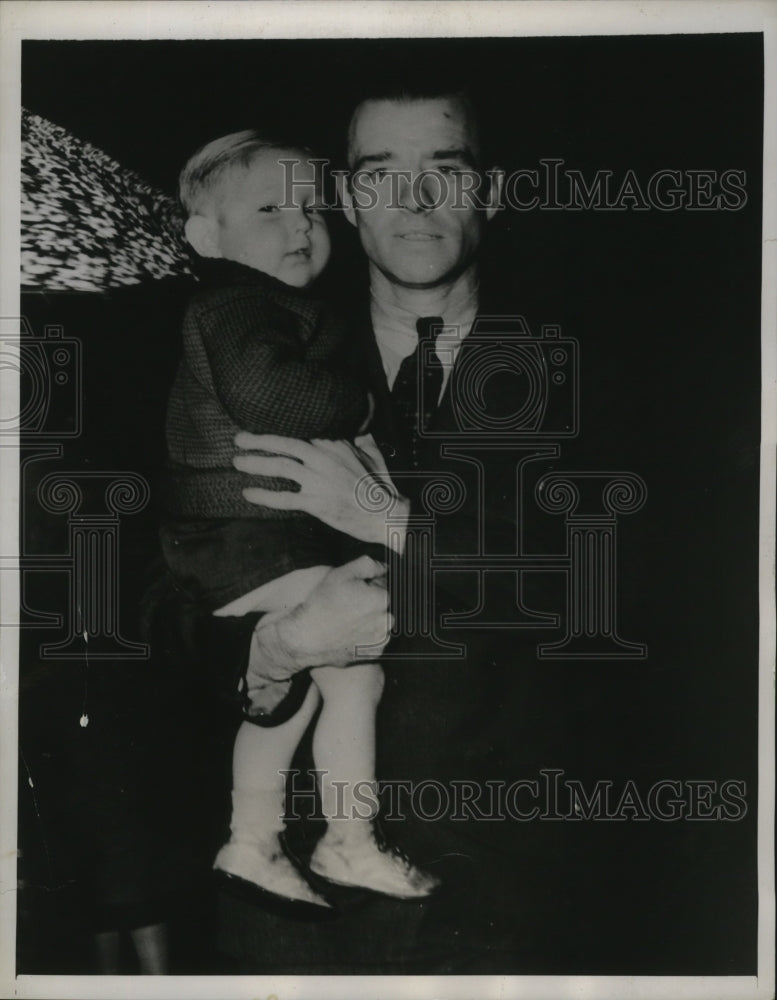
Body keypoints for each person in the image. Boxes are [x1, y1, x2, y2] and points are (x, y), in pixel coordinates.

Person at [160, 129, 438, 912]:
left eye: (314, 206)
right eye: (271, 208)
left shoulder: (276, 306)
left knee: (309, 686)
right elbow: (270, 399)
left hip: (241, 540)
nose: (301, 225)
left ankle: (253, 839)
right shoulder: (234, 302)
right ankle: (343, 840)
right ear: (205, 236)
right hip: (239, 535)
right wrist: (360, 406)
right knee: (351, 671)